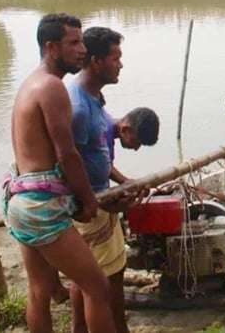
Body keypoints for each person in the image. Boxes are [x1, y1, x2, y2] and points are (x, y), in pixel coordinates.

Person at [4, 14, 115, 333]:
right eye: (74, 42)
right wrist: (88, 200)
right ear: (51, 47)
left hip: (20, 201)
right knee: (97, 288)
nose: (82, 49)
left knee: (40, 291)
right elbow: (68, 154)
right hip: (42, 208)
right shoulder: (52, 88)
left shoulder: (31, 83)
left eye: (82, 41)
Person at [66, 27, 160, 333]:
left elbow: (97, 158)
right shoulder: (79, 107)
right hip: (91, 208)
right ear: (96, 61)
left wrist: (121, 185)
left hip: (99, 202)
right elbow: (68, 162)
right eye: (116, 57)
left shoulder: (95, 102)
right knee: (103, 282)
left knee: (92, 278)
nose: (121, 64)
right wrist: (94, 203)